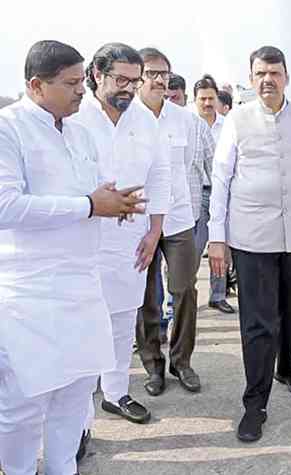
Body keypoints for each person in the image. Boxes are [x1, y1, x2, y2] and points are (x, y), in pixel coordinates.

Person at [0, 40, 144, 475]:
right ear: (36, 85)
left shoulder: (80, 133)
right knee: (24, 405)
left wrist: (113, 202)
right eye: (71, 83)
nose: (83, 90)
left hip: (83, 286)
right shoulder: (9, 128)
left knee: (75, 398)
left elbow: (93, 192)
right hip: (29, 293)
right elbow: (6, 207)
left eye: (83, 80)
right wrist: (87, 206)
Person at [208, 46, 291, 443]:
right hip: (252, 235)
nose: (268, 80)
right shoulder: (237, 120)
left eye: (274, 73)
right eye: (260, 73)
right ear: (251, 78)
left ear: (286, 77)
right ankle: (255, 403)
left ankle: (287, 367)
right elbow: (221, 178)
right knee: (258, 321)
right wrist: (216, 236)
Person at [74, 43, 172, 455]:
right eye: (121, 80)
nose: (129, 89)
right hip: (81, 239)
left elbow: (161, 175)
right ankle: (77, 424)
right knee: (82, 329)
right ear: (97, 75)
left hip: (131, 241)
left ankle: (115, 393)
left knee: (120, 322)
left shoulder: (144, 121)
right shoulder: (75, 116)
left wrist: (155, 232)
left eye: (135, 81)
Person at [134, 47, 202, 397]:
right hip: (137, 220)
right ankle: (152, 364)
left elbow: (185, 166)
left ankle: (181, 361)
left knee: (184, 289)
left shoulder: (184, 119)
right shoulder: (127, 117)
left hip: (177, 217)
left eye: (164, 73)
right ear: (138, 77)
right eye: (152, 73)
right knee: (144, 295)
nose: (159, 80)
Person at [193, 74, 235, 314]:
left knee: (221, 246)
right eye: (203, 99)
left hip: (224, 193)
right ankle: (185, 296)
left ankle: (218, 296)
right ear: (195, 100)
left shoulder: (228, 125)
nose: (207, 103)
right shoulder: (189, 124)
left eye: (211, 99)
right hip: (198, 193)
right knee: (195, 247)